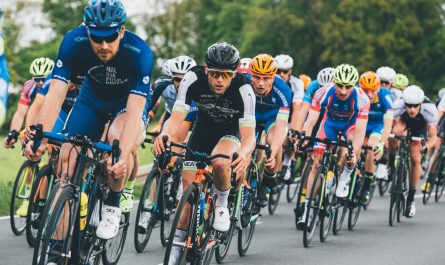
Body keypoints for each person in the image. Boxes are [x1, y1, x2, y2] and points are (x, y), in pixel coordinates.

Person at [24, 0, 154, 241]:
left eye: (110, 37)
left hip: (126, 106)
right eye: (96, 37)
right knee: (67, 169)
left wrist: (123, 158)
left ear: (122, 31)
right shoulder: (73, 42)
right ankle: (55, 251)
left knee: (117, 144)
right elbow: (55, 94)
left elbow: (135, 114)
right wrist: (40, 135)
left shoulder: (140, 54)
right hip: (91, 101)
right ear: (87, 31)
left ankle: (113, 203)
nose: (103, 45)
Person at [153, 42, 256, 265]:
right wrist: (166, 136)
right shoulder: (193, 79)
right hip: (203, 130)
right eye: (215, 74)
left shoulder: (244, 89)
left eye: (225, 75)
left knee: (220, 162)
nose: (219, 80)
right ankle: (175, 251)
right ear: (206, 70)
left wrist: (245, 154)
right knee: (187, 193)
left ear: (234, 74)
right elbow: (176, 117)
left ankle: (221, 204)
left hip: (231, 133)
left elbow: (249, 136)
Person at [296, 64, 370, 229]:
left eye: (348, 87)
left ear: (354, 85)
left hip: (350, 127)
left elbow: (359, 134)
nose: (343, 91)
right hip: (329, 124)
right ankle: (307, 212)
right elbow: (311, 121)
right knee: (316, 162)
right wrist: (304, 137)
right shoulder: (323, 92)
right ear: (334, 82)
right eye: (340, 85)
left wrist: (355, 153)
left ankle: (345, 176)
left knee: (350, 151)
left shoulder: (362, 99)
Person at [248, 54, 292, 206]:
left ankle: (267, 180)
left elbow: (281, 127)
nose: (260, 83)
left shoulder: (283, 90)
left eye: (266, 78)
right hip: (251, 115)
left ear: (273, 77)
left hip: (272, 118)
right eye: (257, 77)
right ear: (250, 75)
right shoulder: (244, 82)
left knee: (275, 141)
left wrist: (272, 154)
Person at [390, 85, 438, 217]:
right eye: (409, 106)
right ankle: (393, 160)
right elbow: (388, 124)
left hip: (420, 126)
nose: (411, 109)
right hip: (404, 121)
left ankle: (410, 199)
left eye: (415, 106)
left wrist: (426, 146)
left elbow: (433, 137)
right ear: (404, 103)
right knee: (394, 132)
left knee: (415, 158)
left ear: (421, 104)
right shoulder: (398, 105)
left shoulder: (430, 110)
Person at [358, 71, 394, 202]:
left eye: (373, 91)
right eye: (365, 91)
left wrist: (382, 142)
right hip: (362, 122)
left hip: (377, 125)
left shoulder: (386, 96)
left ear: (378, 88)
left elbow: (388, 122)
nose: (369, 95)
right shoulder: (356, 93)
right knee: (353, 148)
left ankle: (366, 186)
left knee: (370, 150)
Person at [4, 58, 54, 148]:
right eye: (37, 78)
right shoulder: (29, 86)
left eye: (45, 79)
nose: (41, 82)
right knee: (26, 140)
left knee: (53, 149)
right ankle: (33, 161)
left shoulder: (57, 86)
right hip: (40, 114)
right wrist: (13, 133)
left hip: (57, 114)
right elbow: (20, 113)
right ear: (32, 77)